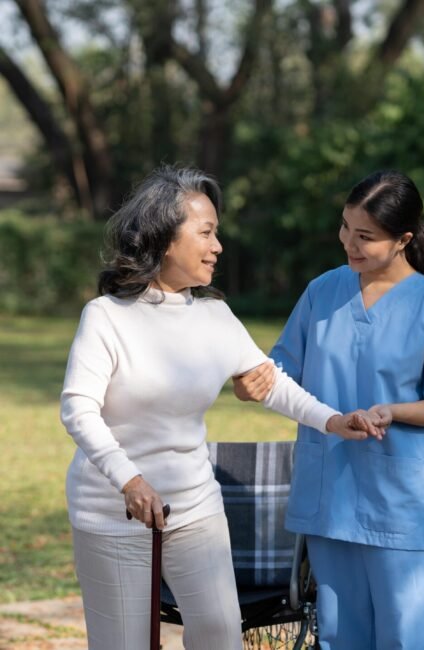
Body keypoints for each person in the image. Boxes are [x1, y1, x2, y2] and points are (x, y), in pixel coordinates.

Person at [60, 165, 384, 650]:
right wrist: (129, 480)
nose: (218, 246)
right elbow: (78, 409)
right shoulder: (106, 317)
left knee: (219, 635)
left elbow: (272, 385)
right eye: (206, 232)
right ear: (164, 238)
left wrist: (334, 420)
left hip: (194, 506)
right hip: (112, 511)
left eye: (218, 233)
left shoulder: (214, 315)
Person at [233, 170, 424, 650]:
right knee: (339, 637)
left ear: (403, 239)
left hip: (401, 505)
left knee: (408, 638)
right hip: (330, 497)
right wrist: (252, 381)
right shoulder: (323, 292)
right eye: (345, 228)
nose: (349, 244)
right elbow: (280, 373)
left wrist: (393, 411)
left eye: (366, 237)